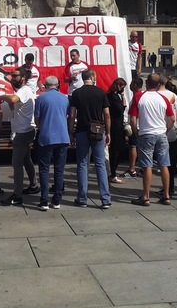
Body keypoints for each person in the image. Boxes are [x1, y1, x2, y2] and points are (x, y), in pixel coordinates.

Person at [68, 69, 112, 209]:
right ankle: (105, 199)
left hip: (81, 131)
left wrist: (71, 132)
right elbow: (107, 115)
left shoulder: (77, 93)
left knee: (82, 164)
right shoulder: (100, 92)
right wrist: (108, 132)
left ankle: (82, 198)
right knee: (100, 164)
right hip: (98, 131)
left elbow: (72, 115)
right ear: (92, 77)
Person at [129, 73, 174, 206]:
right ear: (159, 84)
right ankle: (166, 195)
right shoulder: (163, 98)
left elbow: (132, 118)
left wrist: (136, 132)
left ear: (146, 83)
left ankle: (146, 196)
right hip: (161, 133)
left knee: (147, 165)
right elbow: (172, 118)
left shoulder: (139, 96)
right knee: (164, 164)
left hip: (146, 133)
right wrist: (166, 130)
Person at [0, 68, 38, 206]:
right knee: (26, 160)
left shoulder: (23, 91)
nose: (12, 78)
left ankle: (17, 195)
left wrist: (2, 96)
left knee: (17, 164)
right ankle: (33, 185)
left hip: (23, 132)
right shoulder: (22, 91)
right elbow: (16, 103)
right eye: (12, 76)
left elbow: (14, 99)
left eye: (15, 76)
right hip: (23, 131)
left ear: (23, 77)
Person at [34, 76, 70, 210]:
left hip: (46, 136)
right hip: (62, 137)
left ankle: (44, 200)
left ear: (45, 85)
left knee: (44, 170)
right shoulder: (64, 98)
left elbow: (37, 119)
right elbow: (66, 115)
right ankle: (56, 200)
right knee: (59, 170)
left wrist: (42, 126)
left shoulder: (41, 98)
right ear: (57, 85)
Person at [106, 78, 127, 184]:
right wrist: (123, 99)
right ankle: (112, 173)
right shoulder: (113, 97)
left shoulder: (111, 95)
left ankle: (112, 172)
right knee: (116, 150)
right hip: (115, 125)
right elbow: (120, 110)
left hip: (116, 124)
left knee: (117, 149)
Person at [123, 77, 144, 178]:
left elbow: (133, 116)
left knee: (133, 146)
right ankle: (142, 168)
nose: (130, 86)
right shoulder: (143, 95)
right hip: (142, 125)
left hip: (137, 126)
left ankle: (132, 168)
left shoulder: (137, 96)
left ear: (135, 85)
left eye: (131, 84)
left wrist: (133, 128)